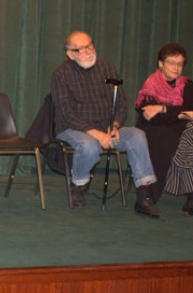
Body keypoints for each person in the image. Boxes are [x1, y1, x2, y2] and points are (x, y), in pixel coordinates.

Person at [51, 30, 163, 218]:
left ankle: (144, 197)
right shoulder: (60, 74)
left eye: (90, 46)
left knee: (137, 136)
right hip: (72, 128)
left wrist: (116, 125)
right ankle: (78, 185)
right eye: (81, 49)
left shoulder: (107, 68)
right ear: (70, 54)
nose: (88, 51)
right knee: (89, 145)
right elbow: (65, 112)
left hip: (107, 127)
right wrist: (96, 133)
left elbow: (121, 103)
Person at [135, 43, 193, 215]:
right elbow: (151, 117)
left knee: (189, 137)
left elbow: (189, 109)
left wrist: (162, 108)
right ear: (161, 64)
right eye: (172, 63)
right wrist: (180, 113)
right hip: (153, 128)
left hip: (180, 128)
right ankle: (147, 197)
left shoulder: (188, 85)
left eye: (180, 64)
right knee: (167, 140)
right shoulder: (150, 86)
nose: (176, 68)